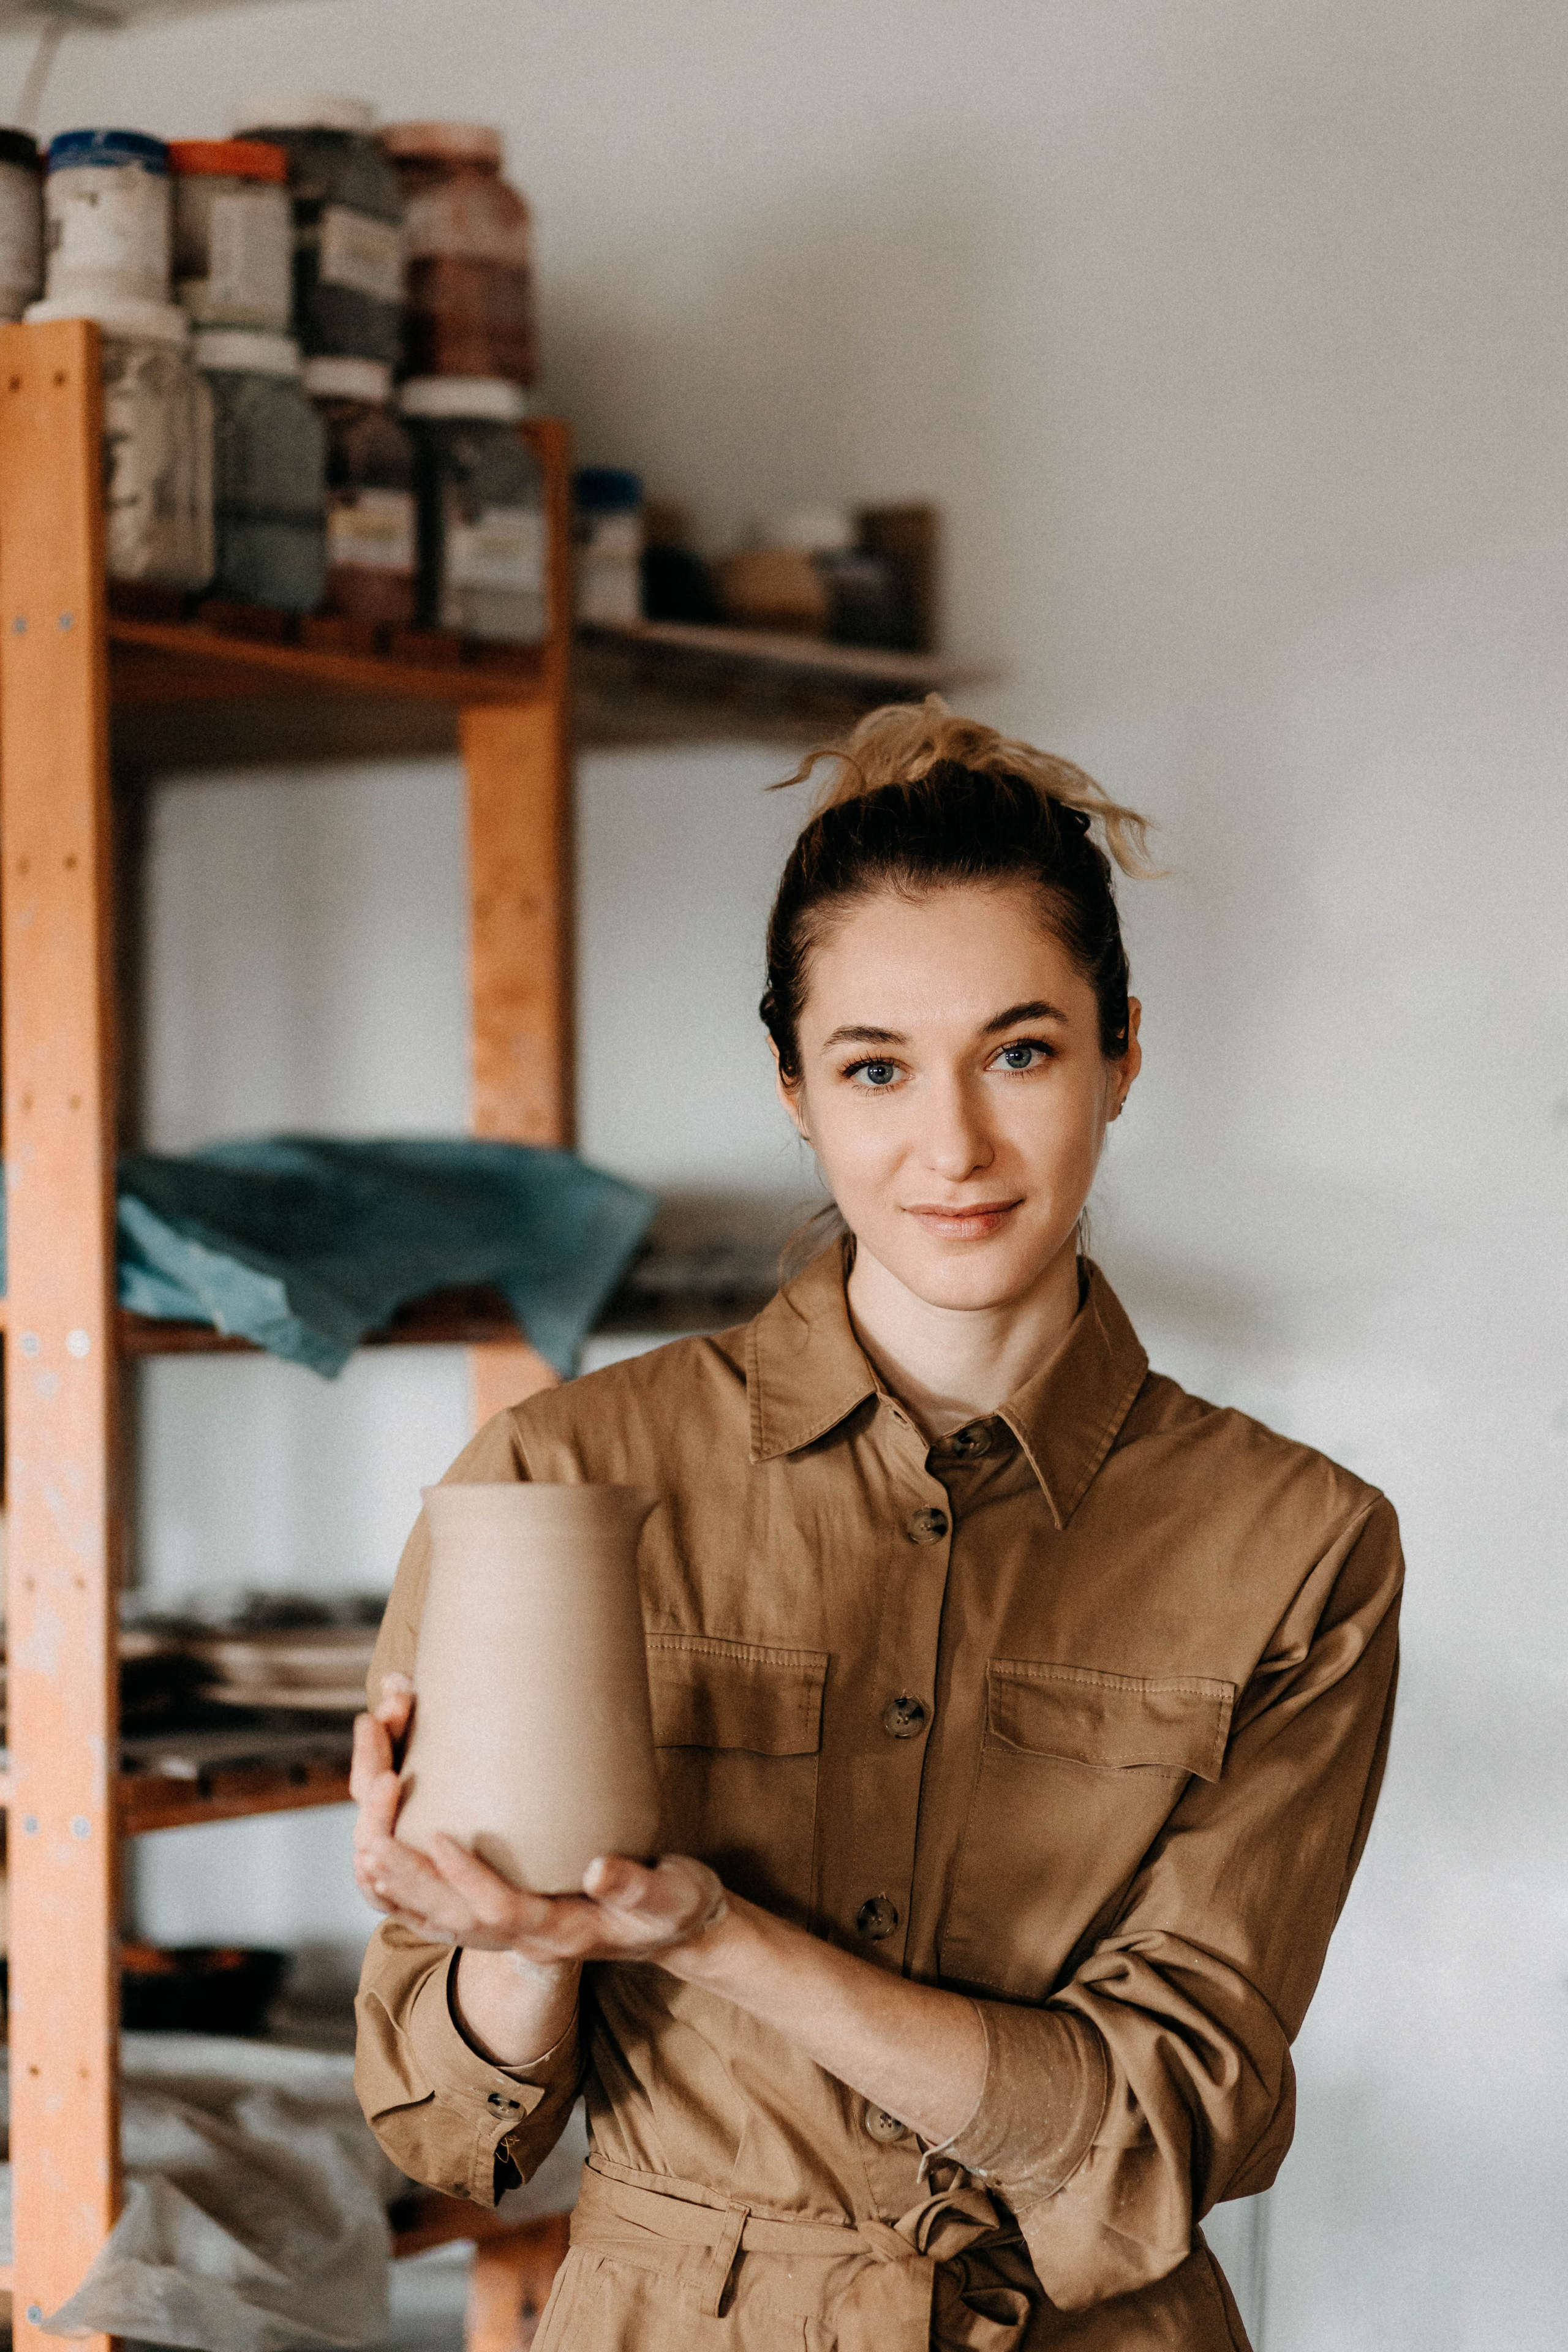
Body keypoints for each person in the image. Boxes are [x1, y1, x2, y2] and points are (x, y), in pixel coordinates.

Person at [350, 699, 1403, 2351]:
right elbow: (446, 2128)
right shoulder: (552, 1478)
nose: (954, 1146)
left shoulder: (1300, 1545)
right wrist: (518, 1949)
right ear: (794, 1088)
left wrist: (718, 1938)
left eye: (1021, 1052)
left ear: (1124, 1052)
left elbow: (1157, 2130)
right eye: (875, 1068)